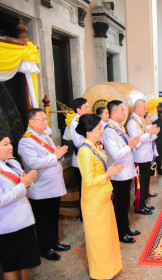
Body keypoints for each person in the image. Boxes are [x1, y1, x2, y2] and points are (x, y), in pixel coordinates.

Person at [18, 109, 70, 261]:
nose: (45, 122)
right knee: (43, 220)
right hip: (41, 187)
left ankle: (54, 242)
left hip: (53, 185)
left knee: (53, 216)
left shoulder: (45, 136)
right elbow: (33, 162)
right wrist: (56, 156)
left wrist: (57, 155)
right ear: (31, 122)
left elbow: (53, 154)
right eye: (42, 119)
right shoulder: (26, 141)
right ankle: (45, 248)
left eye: (45, 119)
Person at [76, 114, 123, 280]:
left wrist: (107, 172)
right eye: (98, 128)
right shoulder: (84, 151)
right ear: (89, 131)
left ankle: (110, 268)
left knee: (107, 235)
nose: (101, 130)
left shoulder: (95, 147)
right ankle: (100, 273)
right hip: (94, 201)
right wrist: (108, 174)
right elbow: (88, 181)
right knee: (98, 238)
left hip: (103, 197)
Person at [0, 130, 40, 280]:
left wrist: (28, 185)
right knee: (12, 264)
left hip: (24, 220)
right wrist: (23, 186)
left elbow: (26, 185)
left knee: (26, 262)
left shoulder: (13, 163)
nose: (11, 146)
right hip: (8, 225)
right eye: (5, 144)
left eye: (10, 143)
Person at [102, 100, 141, 244]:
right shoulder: (109, 130)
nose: (124, 113)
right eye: (122, 110)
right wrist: (129, 146)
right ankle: (119, 232)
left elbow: (126, 147)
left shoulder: (118, 128)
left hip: (125, 171)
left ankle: (125, 227)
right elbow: (116, 154)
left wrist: (132, 144)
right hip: (117, 174)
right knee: (119, 204)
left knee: (125, 202)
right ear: (113, 113)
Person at [127, 99, 160, 215]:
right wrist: (149, 133)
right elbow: (137, 139)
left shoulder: (140, 120)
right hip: (138, 157)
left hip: (145, 155)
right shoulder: (132, 122)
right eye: (144, 108)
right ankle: (138, 206)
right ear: (138, 108)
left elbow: (146, 137)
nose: (145, 110)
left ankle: (143, 203)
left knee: (145, 181)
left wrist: (153, 133)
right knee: (140, 183)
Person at [68, 97, 90, 221]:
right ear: (78, 109)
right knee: (84, 189)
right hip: (80, 161)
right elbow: (78, 143)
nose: (88, 109)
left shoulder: (84, 120)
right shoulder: (76, 122)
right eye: (86, 107)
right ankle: (84, 215)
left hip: (88, 159)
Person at [144, 112, 158, 197]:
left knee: (150, 172)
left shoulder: (148, 126)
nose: (150, 119)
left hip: (152, 150)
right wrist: (155, 133)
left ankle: (149, 188)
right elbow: (149, 138)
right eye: (148, 117)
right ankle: (148, 189)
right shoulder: (145, 128)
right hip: (147, 152)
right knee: (148, 172)